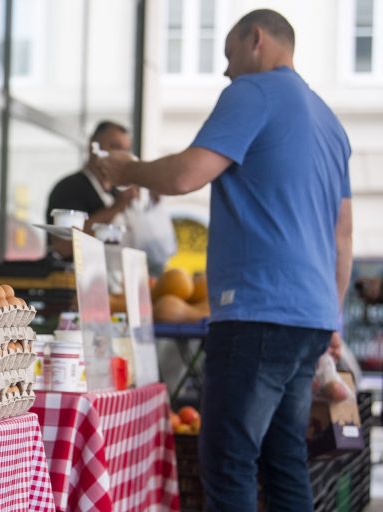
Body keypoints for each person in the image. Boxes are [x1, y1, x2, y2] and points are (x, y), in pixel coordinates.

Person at [95, 9, 352, 511]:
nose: (225, 71)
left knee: (228, 462)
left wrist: (129, 168)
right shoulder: (330, 122)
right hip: (310, 321)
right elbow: (343, 236)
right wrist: (333, 318)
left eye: (229, 55)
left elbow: (187, 175)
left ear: (255, 39)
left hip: (258, 312)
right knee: (284, 464)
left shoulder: (252, 93)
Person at [45, 121, 175, 269]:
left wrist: (151, 206)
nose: (120, 156)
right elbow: (63, 245)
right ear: (92, 146)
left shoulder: (117, 192)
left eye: (126, 150)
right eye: (115, 147)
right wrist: (117, 208)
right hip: (72, 283)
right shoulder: (70, 188)